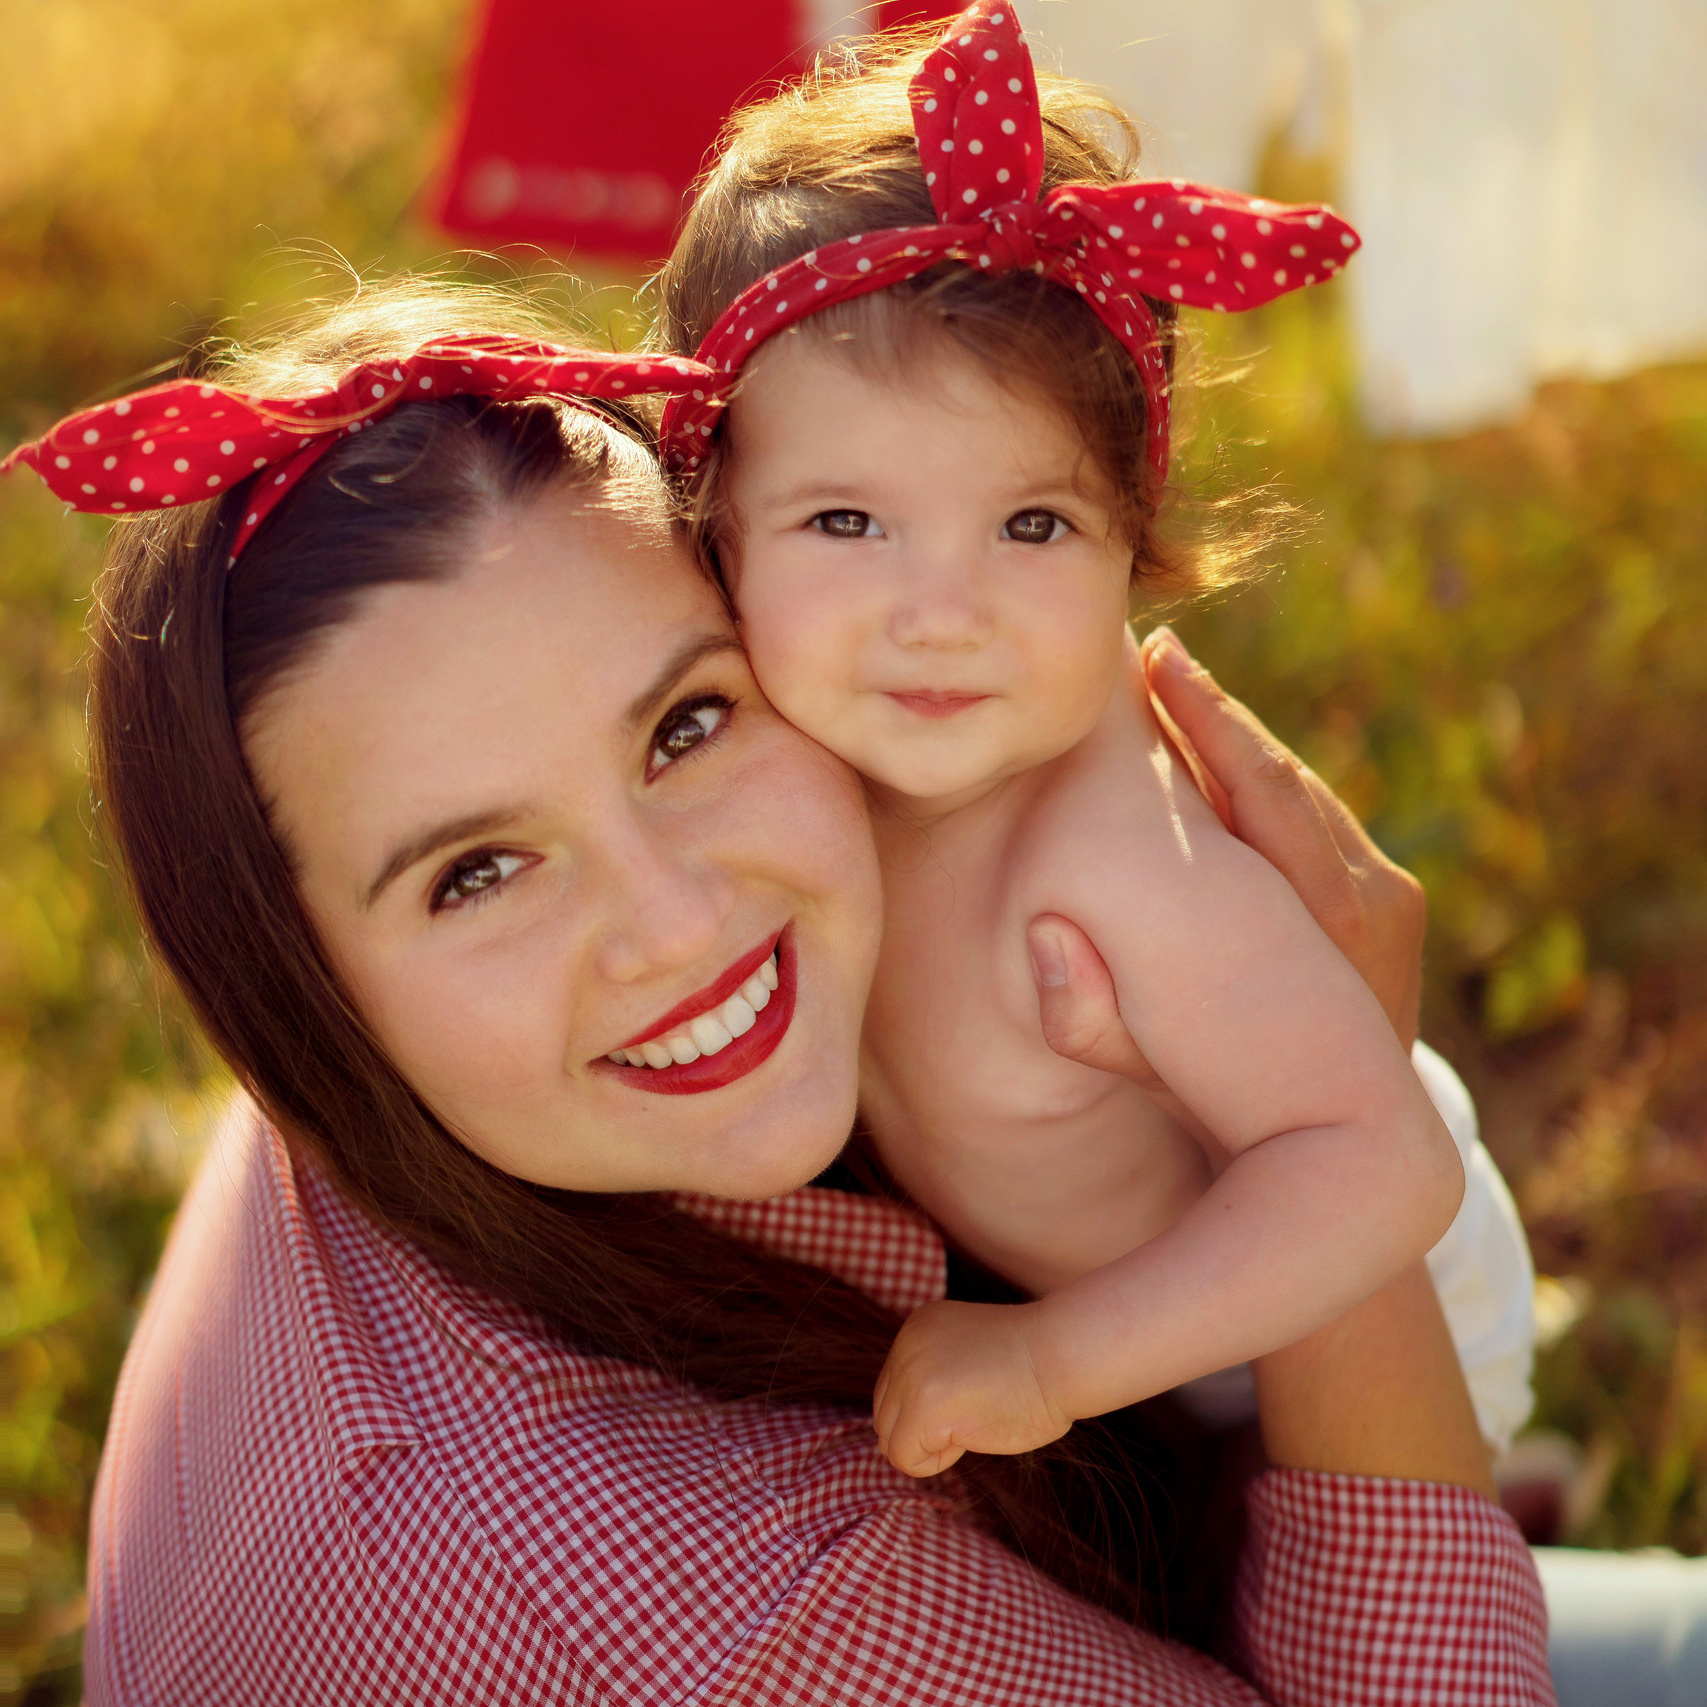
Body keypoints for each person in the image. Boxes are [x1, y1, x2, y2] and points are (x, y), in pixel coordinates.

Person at [1, 278, 1552, 1703]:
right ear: (290, 977)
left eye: (686, 725)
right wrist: (1322, 1089)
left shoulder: (396, 1087)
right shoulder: (731, 1612)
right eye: (478, 872)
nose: (677, 923)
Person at [653, 0, 1528, 1479]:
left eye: (1033, 523)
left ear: (1135, 543)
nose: (943, 615)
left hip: (1316, 1290)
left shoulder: (1120, 858)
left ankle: (1510, 1491)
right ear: (710, 526)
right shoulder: (761, 751)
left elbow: (1377, 1168)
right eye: (847, 520)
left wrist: (1052, 1362)